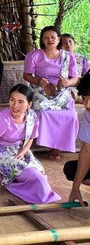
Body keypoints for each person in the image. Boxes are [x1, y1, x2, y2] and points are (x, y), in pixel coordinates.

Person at [0, 84, 60, 204]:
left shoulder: (32, 117)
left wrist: (23, 152)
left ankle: (35, 191)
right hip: (3, 153)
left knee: (40, 172)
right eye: (12, 100)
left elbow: (30, 138)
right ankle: (38, 196)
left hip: (20, 150)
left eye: (21, 102)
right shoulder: (1, 118)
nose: (15, 106)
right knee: (34, 177)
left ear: (29, 105)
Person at [23, 26, 79, 160]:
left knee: (71, 115)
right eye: (46, 37)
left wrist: (67, 83)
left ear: (59, 39)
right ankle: (48, 144)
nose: (50, 40)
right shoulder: (34, 55)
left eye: (53, 37)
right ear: (42, 40)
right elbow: (26, 75)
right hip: (41, 89)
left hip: (61, 91)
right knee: (42, 110)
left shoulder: (67, 56)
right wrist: (37, 80)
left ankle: (57, 146)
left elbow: (75, 78)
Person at [65, 72, 90, 204]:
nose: (87, 105)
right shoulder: (88, 114)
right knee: (71, 169)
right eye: (85, 99)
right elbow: (87, 151)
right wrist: (75, 187)